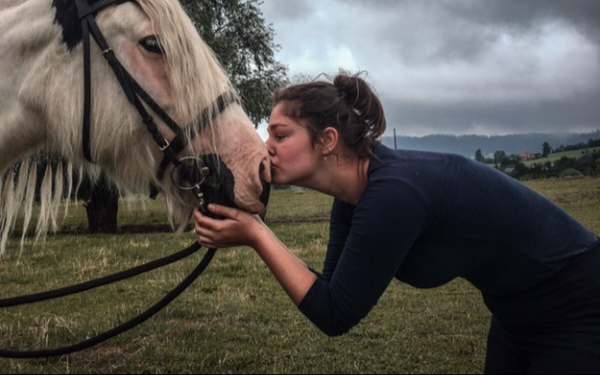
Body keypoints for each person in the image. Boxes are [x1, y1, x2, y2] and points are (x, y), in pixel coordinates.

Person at [193, 73, 600, 374]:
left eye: (280, 134)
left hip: (580, 306)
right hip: (515, 317)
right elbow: (328, 294)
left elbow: (336, 314)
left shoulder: (395, 193)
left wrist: (257, 236)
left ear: (328, 140)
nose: (267, 146)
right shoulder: (351, 202)